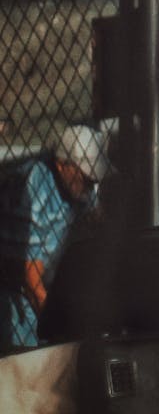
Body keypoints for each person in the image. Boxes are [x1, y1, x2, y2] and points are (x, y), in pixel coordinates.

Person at [0, 123, 107, 352]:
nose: (90, 186)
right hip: (14, 297)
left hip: (46, 287)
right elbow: (31, 283)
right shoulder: (31, 190)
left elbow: (97, 219)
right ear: (62, 166)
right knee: (28, 365)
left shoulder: (78, 185)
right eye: (86, 178)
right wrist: (62, 335)